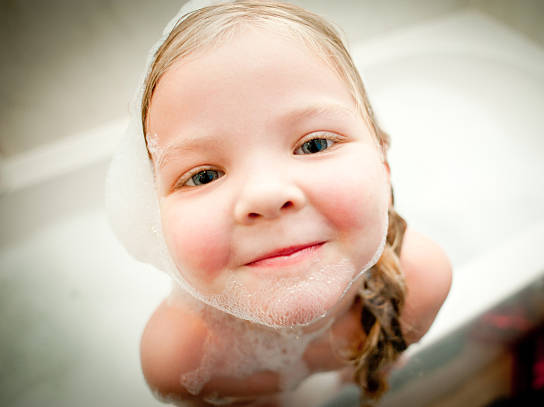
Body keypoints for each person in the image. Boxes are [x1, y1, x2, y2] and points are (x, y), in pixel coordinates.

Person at [106, 1, 452, 406]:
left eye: (314, 144)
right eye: (204, 175)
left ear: (384, 162)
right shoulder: (180, 360)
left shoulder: (420, 283)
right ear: (154, 217)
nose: (266, 195)